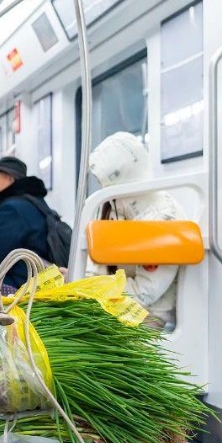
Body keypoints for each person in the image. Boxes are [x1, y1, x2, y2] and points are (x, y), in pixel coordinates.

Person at [88, 131, 184, 330]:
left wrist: (93, 290)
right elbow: (97, 264)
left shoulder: (163, 217)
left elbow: (144, 293)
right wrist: (84, 283)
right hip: (117, 302)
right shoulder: (112, 205)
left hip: (149, 317)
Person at [0, 156, 54, 289]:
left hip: (20, 283)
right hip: (41, 278)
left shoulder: (12, 208)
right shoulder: (34, 202)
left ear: (9, 178)